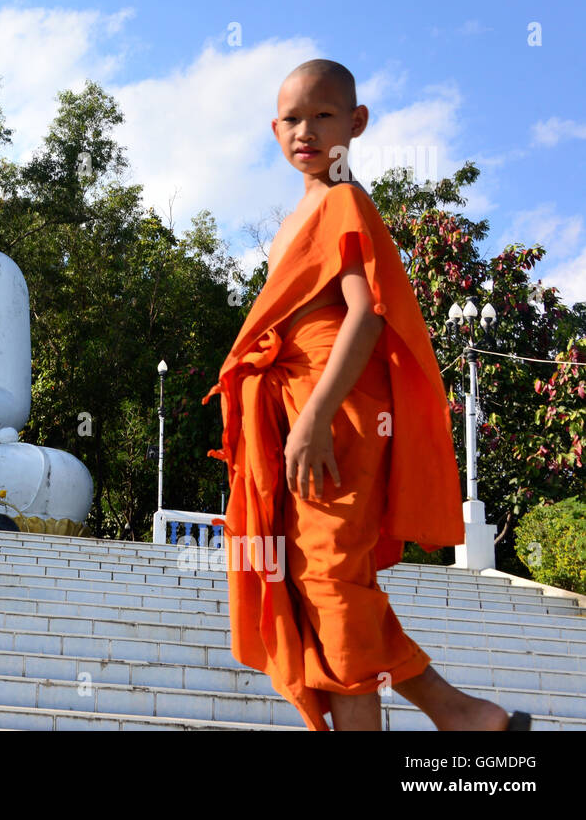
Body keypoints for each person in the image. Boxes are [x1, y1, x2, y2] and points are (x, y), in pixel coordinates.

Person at [203, 59, 530, 731]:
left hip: (338, 413)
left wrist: (316, 417)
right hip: (298, 410)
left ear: (355, 123)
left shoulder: (344, 201)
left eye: (323, 115)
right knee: (319, 582)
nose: (306, 130)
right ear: (274, 129)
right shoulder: (298, 216)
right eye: (292, 119)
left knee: (328, 581)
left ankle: (464, 714)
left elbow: (366, 313)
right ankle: (466, 716)